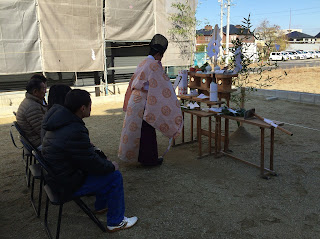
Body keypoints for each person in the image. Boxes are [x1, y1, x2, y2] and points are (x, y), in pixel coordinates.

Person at [41, 89, 137, 232]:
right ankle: (116, 221)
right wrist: (111, 166)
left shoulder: (59, 120)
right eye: (90, 105)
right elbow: (91, 163)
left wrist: (103, 161)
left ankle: (101, 206)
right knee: (114, 176)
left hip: (58, 178)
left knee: (103, 166)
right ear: (82, 108)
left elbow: (83, 155)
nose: (91, 108)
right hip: (65, 185)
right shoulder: (73, 129)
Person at [119, 34, 183, 166]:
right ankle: (149, 160)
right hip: (143, 102)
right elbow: (163, 87)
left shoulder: (143, 62)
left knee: (136, 131)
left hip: (134, 99)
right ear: (159, 54)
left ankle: (139, 157)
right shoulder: (154, 65)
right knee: (147, 131)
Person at [16, 74, 47, 147]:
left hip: (35, 139)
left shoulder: (31, 101)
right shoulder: (32, 107)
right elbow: (43, 131)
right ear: (35, 92)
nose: (45, 92)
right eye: (43, 89)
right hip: (39, 142)